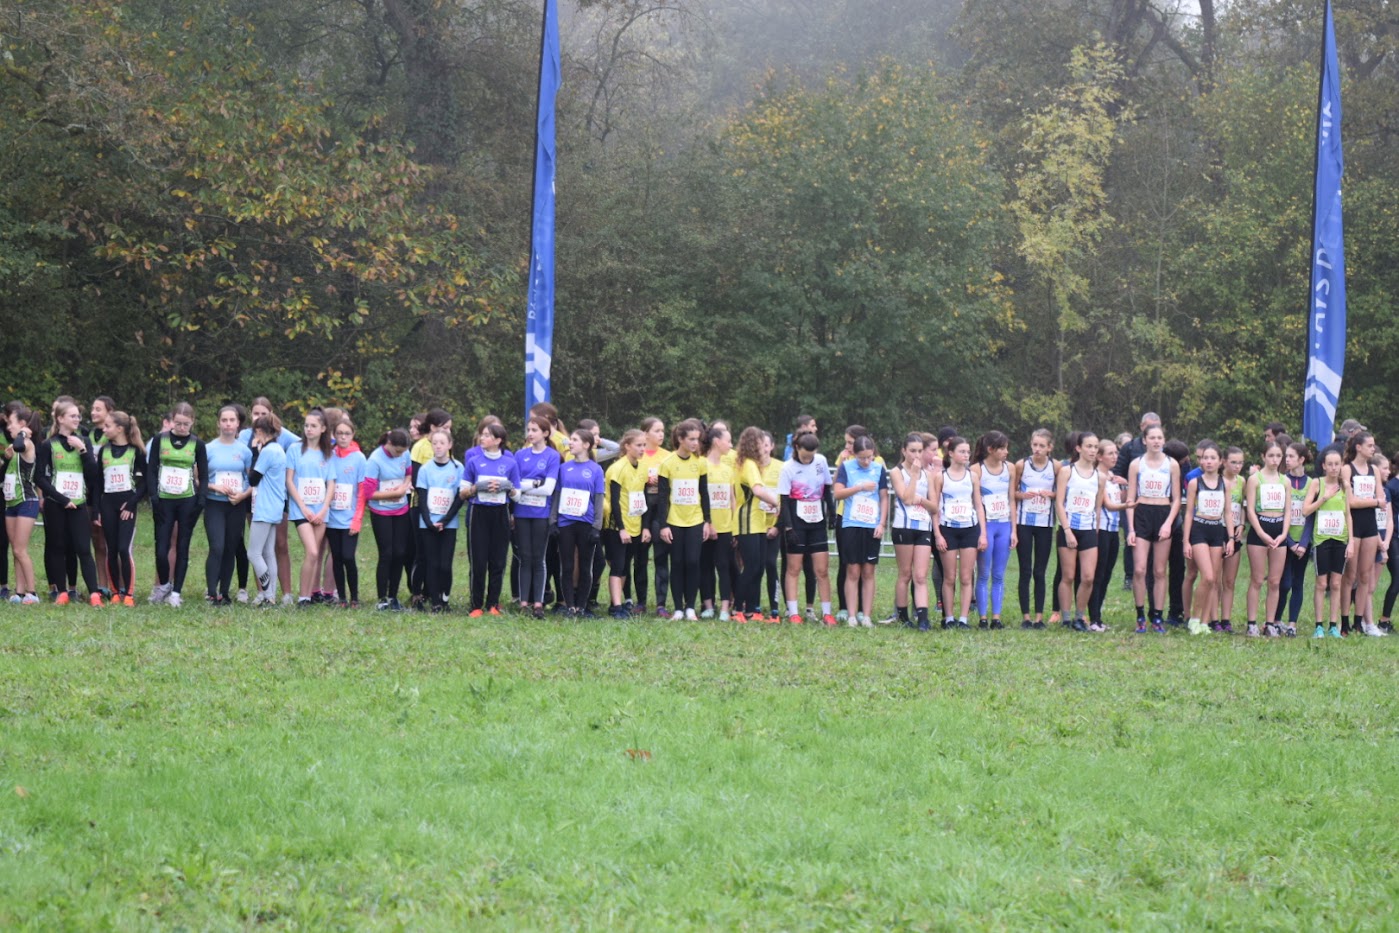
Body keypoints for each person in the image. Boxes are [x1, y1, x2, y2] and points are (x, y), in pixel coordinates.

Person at [34, 398, 103, 605]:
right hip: (57, 504)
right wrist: (61, 499)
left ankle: (94, 594)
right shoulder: (48, 445)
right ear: (60, 418)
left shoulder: (84, 441)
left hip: (79, 503)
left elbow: (93, 475)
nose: (77, 419)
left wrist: (83, 450)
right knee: (57, 547)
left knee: (83, 548)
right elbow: (39, 477)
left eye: (78, 416)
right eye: (73, 416)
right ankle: (62, 592)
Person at [146, 402, 208, 607]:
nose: (182, 428)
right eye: (178, 423)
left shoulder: (197, 444)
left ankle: (176, 592)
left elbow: (204, 475)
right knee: (161, 548)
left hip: (187, 500)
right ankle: (164, 584)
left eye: (186, 424)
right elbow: (152, 469)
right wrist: (153, 496)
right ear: (171, 421)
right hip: (164, 500)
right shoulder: (159, 440)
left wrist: (200, 501)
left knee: (182, 546)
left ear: (192, 423)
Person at [656, 418, 712, 621]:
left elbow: (704, 493)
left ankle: (690, 607)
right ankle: (678, 608)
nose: (695, 443)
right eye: (691, 439)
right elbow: (662, 497)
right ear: (680, 439)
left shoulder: (701, 463)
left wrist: (707, 521)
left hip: (696, 521)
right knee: (677, 563)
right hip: (674, 522)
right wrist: (663, 525)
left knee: (693, 562)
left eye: (697, 439)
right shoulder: (667, 464)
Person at [1126, 423, 1180, 633]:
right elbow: (1130, 499)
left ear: (1164, 441)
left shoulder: (1172, 464)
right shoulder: (1136, 464)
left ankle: (1157, 617)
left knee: (1159, 570)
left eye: (1160, 437)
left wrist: (1169, 523)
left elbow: (1176, 499)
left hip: (1163, 515)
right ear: (1145, 441)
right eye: (1152, 437)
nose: (1156, 441)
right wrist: (1131, 528)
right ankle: (1141, 616)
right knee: (1139, 569)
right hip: (1141, 515)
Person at [778, 430, 834, 625]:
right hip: (796, 520)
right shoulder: (788, 468)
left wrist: (832, 512)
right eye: (804, 456)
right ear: (796, 448)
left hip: (817, 520)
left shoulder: (821, 461)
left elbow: (827, 489)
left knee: (822, 569)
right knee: (793, 567)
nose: (807, 459)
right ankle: (793, 612)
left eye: (810, 456)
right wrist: (788, 528)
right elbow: (783, 501)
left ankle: (827, 613)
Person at [463, 422, 518, 616]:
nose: (482, 438)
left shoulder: (510, 463)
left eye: (487, 435)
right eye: (482, 434)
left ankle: (493, 604)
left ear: (498, 440)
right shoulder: (474, 462)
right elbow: (462, 493)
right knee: (478, 562)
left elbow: (517, 494)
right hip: (479, 513)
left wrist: (507, 488)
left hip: (500, 513)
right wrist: (477, 488)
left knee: (498, 561)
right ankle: (476, 605)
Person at [833, 435, 888, 628]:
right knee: (853, 570)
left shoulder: (879, 469)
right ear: (855, 454)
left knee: (868, 571)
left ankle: (866, 616)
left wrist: (881, 523)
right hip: (851, 524)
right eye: (862, 457)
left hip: (871, 525)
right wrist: (859, 487)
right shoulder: (846, 467)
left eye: (869, 457)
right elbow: (837, 493)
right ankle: (851, 616)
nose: (866, 461)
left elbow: (883, 498)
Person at [286, 410, 336, 608]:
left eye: (313, 426)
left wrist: (324, 509)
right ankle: (303, 597)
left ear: (323, 429)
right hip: (302, 511)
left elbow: (330, 484)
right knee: (313, 552)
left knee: (314, 555)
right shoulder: (295, 449)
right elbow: (289, 480)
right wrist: (303, 507)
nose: (309, 429)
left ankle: (308, 595)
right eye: (306, 425)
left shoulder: (327, 454)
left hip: (321, 511)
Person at [203, 405, 253, 605]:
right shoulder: (208, 448)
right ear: (218, 423)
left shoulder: (244, 451)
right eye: (224, 420)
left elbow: (252, 481)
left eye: (232, 420)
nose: (228, 424)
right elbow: (199, 480)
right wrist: (215, 487)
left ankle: (224, 592)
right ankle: (212, 592)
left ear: (238, 423)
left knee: (231, 548)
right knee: (217, 546)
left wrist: (242, 496)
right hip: (214, 504)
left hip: (236, 506)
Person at [1055, 431, 1104, 633]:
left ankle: (1079, 617)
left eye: (1095, 447)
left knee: (1088, 577)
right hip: (1069, 528)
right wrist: (1066, 530)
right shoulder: (1067, 471)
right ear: (1079, 448)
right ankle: (1066, 617)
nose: (1093, 450)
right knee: (1068, 575)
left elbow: (1097, 507)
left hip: (1088, 530)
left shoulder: (1100, 477)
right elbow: (1059, 502)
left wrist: (1096, 531)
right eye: (1089, 446)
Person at [934, 436, 986, 629]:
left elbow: (979, 506)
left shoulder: (972, 476)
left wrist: (982, 533)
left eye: (968, 451)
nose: (966, 455)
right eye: (962, 451)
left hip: (969, 529)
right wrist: (938, 534)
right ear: (951, 453)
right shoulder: (941, 477)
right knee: (949, 577)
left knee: (966, 577)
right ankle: (948, 618)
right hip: (948, 529)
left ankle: (963, 619)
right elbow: (935, 509)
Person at [97, 410, 148, 606]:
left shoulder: (136, 452)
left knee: (123, 549)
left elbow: (144, 484)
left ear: (120, 429)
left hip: (127, 505)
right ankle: (116, 591)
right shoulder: (104, 451)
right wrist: (97, 511)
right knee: (111, 550)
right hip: (108, 504)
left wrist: (132, 503)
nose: (104, 429)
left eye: (108, 426)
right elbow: (99, 483)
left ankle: (129, 593)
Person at [1183, 442, 1233, 635]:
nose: (1209, 461)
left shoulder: (1225, 484)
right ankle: (1194, 619)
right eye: (1205, 458)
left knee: (1214, 581)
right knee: (1208, 576)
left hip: (1217, 530)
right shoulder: (1196, 483)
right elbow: (1188, 513)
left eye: (1213, 458)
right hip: (1199, 530)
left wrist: (1230, 538)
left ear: (1220, 461)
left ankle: (1205, 623)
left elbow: (1228, 512)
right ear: (1201, 461)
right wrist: (1186, 541)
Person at [555, 428, 605, 617]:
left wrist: (596, 526)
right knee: (567, 566)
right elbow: (557, 496)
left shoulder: (595, 469)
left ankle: (582, 607)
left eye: (574, 440)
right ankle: (569, 606)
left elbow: (599, 499)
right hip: (566, 523)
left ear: (586, 445)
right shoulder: (564, 468)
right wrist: (554, 522)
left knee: (585, 566)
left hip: (587, 524)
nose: (570, 443)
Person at [515, 415, 561, 618]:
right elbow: (515, 487)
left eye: (534, 430)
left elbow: (549, 489)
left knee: (538, 558)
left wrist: (528, 486)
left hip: (541, 514)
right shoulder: (520, 455)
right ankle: (523, 602)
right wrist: (534, 483)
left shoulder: (552, 456)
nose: (530, 434)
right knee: (524, 558)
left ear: (545, 433)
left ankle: (538, 603)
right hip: (521, 512)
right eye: (529, 430)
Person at [415, 427, 466, 612]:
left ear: (450, 445)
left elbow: (460, 497)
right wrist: (429, 523)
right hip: (428, 524)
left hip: (449, 524)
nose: (438, 446)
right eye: (434, 443)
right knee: (433, 563)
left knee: (445, 564)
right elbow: (421, 497)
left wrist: (445, 520)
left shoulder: (458, 468)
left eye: (442, 443)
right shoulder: (425, 469)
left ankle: (445, 599)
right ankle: (436, 602)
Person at [362, 428, 413, 611]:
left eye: (403, 451)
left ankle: (393, 597)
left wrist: (404, 488)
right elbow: (368, 493)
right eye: (397, 451)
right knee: (387, 553)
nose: (400, 454)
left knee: (400, 553)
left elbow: (408, 474)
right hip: (381, 512)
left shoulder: (405, 453)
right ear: (389, 444)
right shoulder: (375, 460)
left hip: (401, 510)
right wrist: (391, 494)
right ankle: (382, 598)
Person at [889, 433, 936, 630]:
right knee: (905, 573)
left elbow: (934, 506)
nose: (916, 455)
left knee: (920, 575)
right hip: (904, 526)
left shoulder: (929, 474)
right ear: (904, 451)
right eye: (912, 451)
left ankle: (923, 618)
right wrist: (914, 475)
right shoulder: (897, 472)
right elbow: (907, 498)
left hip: (923, 527)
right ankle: (902, 615)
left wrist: (922, 500)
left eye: (919, 450)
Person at [733, 426, 780, 623]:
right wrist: (776, 502)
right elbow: (758, 491)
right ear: (755, 444)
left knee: (759, 566)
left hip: (758, 521)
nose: (764, 446)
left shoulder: (749, 463)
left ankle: (752, 610)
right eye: (761, 442)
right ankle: (737, 609)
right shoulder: (749, 464)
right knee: (752, 567)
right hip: (747, 521)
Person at [1304, 448, 1351, 638]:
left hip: (1340, 538)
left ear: (1341, 466)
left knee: (1336, 583)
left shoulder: (1345, 485)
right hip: (1322, 539)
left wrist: (1352, 542)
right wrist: (1324, 498)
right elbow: (1305, 510)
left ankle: (1333, 626)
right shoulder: (1317, 483)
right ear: (1323, 466)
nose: (1333, 468)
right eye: (1329, 464)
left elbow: (1348, 514)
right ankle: (1318, 626)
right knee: (1322, 583)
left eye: (1336, 464)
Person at [1244, 439, 1289, 636]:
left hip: (1279, 531)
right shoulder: (1255, 479)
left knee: (1275, 581)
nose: (1274, 459)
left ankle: (1270, 623)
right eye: (1271, 455)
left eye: (1278, 456)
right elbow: (1250, 510)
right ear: (1263, 456)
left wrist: (1284, 534)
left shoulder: (1285, 481)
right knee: (1257, 579)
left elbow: (1288, 511)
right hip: (1259, 530)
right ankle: (1252, 623)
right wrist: (1261, 533)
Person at [604, 429, 651, 619]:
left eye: (644, 445)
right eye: (638, 445)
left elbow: (644, 497)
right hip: (617, 527)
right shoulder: (617, 469)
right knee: (617, 565)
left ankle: (617, 603)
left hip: (635, 525)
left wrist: (645, 526)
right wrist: (621, 529)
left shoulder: (642, 467)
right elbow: (614, 501)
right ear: (627, 446)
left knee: (625, 566)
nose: (642, 449)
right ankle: (616, 606)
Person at [1340, 431, 1383, 636]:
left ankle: (1359, 622)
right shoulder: (1347, 469)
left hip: (1371, 526)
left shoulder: (1374, 469)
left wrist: (1374, 502)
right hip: (1354, 525)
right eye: (1370, 445)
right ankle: (1344, 621)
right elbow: (1352, 502)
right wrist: (1373, 501)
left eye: (1374, 446)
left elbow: (1382, 499)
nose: (1373, 449)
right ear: (1359, 447)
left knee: (1365, 576)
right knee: (1350, 576)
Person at [972, 431, 1015, 630]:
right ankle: (982, 617)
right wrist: (981, 532)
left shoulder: (1010, 468)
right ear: (990, 450)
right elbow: (976, 501)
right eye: (1002, 448)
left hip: (1004, 525)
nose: (1006, 452)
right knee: (983, 574)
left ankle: (996, 617)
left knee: (998, 574)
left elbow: (1012, 499)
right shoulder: (977, 470)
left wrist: (1014, 530)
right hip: (986, 526)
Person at [246, 415, 289, 606]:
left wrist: (256, 451)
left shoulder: (268, 451)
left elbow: (253, 479)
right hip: (276, 506)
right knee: (268, 552)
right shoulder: (279, 449)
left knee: (253, 553)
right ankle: (270, 595)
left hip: (264, 507)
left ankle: (266, 592)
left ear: (260, 432)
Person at [1015, 428, 1056, 628]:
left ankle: (1039, 617)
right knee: (1025, 570)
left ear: (1050, 447)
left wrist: (1052, 494)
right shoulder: (1021, 465)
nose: (1037, 449)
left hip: (1045, 524)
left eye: (1042, 446)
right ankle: (1026, 617)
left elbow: (1062, 492)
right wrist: (1021, 495)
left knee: (1040, 571)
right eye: (1035, 445)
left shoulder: (1055, 467)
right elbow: (1011, 492)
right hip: (1024, 523)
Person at [325, 417, 367, 607]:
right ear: (334, 435)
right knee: (337, 557)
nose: (343, 437)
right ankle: (341, 597)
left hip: (350, 518)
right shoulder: (329, 455)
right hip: (332, 517)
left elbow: (362, 492)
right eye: (339, 433)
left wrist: (357, 519)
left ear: (353, 435)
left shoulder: (359, 458)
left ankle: (355, 597)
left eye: (347, 434)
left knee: (348, 557)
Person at [4, 405, 43, 603]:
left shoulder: (26, 444)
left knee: (21, 549)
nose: (7, 427)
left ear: (21, 424)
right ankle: (19, 592)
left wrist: (22, 432)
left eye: (11, 423)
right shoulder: (13, 446)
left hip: (27, 501)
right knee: (15, 549)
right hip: (11, 503)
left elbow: (20, 445)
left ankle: (32, 592)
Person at [700, 423, 738, 620]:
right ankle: (708, 605)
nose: (731, 445)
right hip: (705, 526)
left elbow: (732, 499)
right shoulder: (701, 465)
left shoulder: (728, 469)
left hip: (726, 527)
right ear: (717, 441)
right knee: (705, 565)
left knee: (724, 565)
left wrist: (735, 527)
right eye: (728, 441)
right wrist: (708, 522)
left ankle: (725, 607)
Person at [1089, 438, 1127, 630]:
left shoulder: (1112, 476)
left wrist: (1126, 487)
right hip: (1100, 529)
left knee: (1107, 574)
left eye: (1116, 453)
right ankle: (1092, 617)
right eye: (1110, 453)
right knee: (1098, 574)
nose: (1115, 457)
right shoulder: (1098, 476)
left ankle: (1098, 616)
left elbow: (1118, 499)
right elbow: (1109, 505)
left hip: (1113, 530)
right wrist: (1130, 504)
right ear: (1100, 457)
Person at [1277, 442, 1314, 636]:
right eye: (1286, 456)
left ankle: (1292, 624)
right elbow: (1282, 513)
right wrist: (1290, 543)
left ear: (1301, 459)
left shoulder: (1311, 483)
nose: (1287, 460)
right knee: (1284, 583)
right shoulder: (1283, 480)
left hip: (1303, 542)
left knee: (1298, 582)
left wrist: (1304, 542)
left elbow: (1310, 516)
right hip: (1286, 540)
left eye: (1291, 456)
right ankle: (1276, 620)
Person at [639, 417, 671, 618]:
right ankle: (639, 602)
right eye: (657, 431)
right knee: (640, 560)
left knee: (661, 558)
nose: (661, 434)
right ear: (645, 434)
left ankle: (661, 604)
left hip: (661, 512)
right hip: (641, 512)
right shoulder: (638, 455)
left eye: (663, 431)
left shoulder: (668, 457)